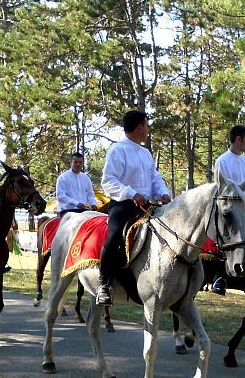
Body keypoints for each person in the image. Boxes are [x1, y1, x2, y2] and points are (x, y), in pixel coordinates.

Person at [97, 111, 172, 306]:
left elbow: (155, 178)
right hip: (123, 206)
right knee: (113, 236)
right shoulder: (118, 150)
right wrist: (131, 194)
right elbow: (108, 181)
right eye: (146, 126)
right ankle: (103, 284)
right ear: (139, 127)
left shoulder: (146, 153)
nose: (148, 130)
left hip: (147, 207)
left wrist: (163, 192)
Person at [208, 125, 245, 295]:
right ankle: (220, 277)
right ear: (238, 139)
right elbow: (227, 190)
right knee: (230, 233)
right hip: (231, 207)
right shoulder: (222, 161)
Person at [56, 152, 98, 217]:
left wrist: (93, 204)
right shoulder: (63, 178)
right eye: (75, 162)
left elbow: (90, 194)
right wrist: (76, 203)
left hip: (84, 212)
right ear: (71, 163)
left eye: (80, 162)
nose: (78, 164)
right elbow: (61, 196)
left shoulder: (86, 178)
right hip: (67, 212)